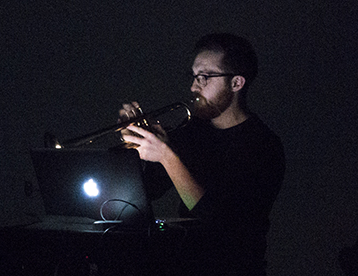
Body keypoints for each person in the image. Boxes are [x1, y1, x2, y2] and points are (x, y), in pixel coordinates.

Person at [120, 33, 286, 275]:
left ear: (236, 83)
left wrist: (167, 156)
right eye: (194, 77)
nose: (193, 87)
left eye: (205, 77)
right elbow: (149, 190)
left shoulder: (264, 146)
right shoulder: (192, 132)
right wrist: (136, 142)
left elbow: (218, 222)